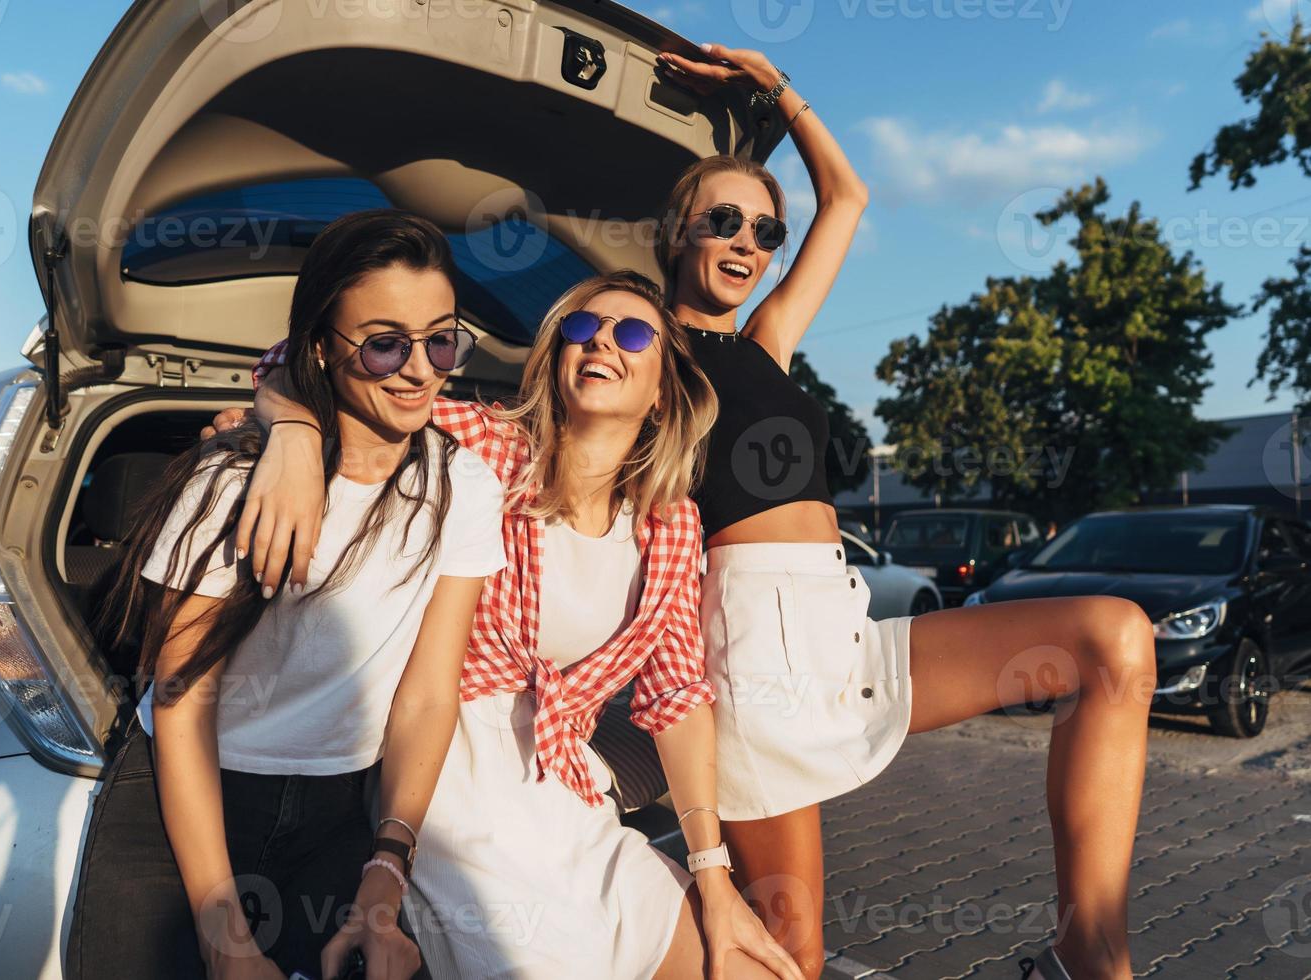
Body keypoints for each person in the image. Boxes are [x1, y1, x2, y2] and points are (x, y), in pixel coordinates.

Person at [228, 42, 1157, 979]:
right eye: (724, 221)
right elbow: (392, 383)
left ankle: (1088, 950)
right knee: (785, 954)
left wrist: (777, 90)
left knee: (1113, 640)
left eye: (765, 232)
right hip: (749, 657)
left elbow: (850, 202)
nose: (749, 244)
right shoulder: (629, 353)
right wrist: (292, 427)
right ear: (677, 233)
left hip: (842, 626)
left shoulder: (767, 344)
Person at [231, 270, 803, 979]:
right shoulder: (489, 444)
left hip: (566, 787)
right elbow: (303, 367)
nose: (600, 343)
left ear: (662, 392)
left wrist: (714, 877)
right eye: (580, 328)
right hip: (448, 774)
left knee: (749, 968)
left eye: (630, 333)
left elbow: (678, 697)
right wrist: (289, 432)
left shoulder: (671, 523)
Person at [65, 210, 507, 980]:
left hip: (337, 811)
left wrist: (386, 870)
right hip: (188, 799)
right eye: (384, 343)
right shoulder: (230, 480)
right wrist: (225, 939)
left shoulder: (464, 485)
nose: (419, 369)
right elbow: (182, 701)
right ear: (319, 350)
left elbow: (429, 695)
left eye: (441, 340)